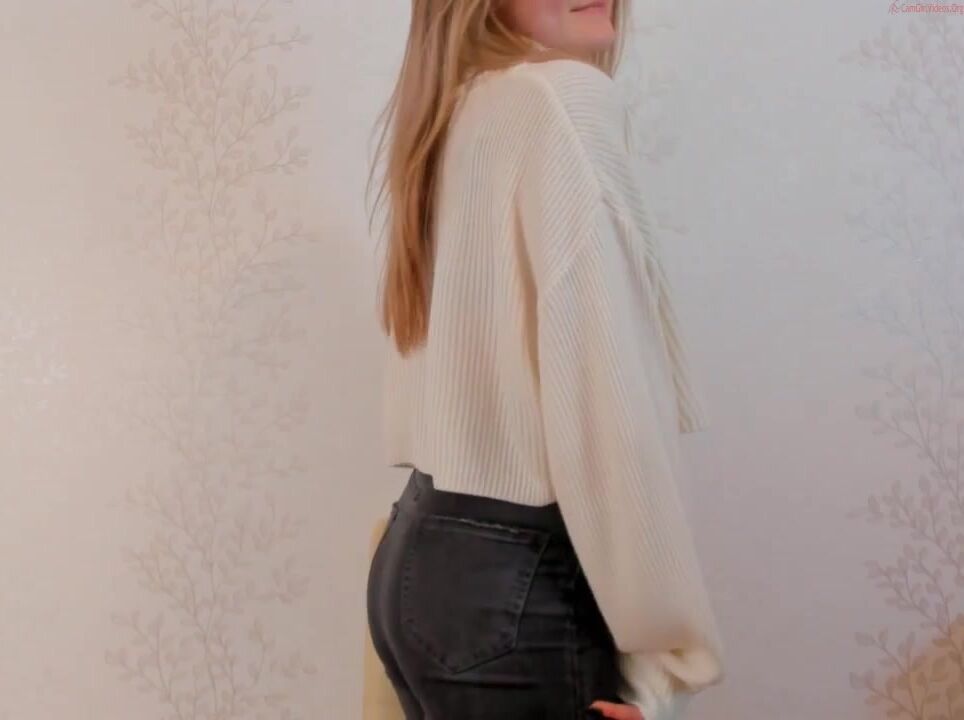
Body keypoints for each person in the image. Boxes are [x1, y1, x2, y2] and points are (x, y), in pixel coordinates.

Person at [365, 1, 725, 718]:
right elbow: (607, 400)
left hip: (423, 563)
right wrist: (666, 670)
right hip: (517, 596)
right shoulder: (561, 99)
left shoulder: (462, 105)